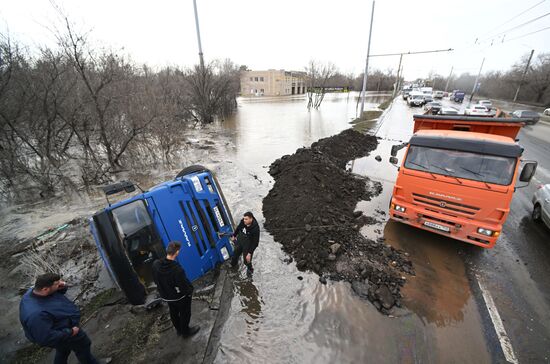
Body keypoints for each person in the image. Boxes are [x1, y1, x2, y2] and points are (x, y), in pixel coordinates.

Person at [19, 273, 98, 364]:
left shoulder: (34, 291)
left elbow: (55, 295)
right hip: (64, 332)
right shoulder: (37, 315)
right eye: (57, 283)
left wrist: (62, 287)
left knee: (63, 349)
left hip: (60, 328)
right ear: (45, 289)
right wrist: (71, 332)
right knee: (83, 345)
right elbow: (46, 338)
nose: (61, 283)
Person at [152, 241, 199, 337]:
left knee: (173, 312)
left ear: (167, 250)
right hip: (179, 297)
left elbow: (155, 280)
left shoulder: (156, 264)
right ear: (177, 253)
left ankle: (179, 330)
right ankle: (185, 332)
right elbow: (184, 286)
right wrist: (189, 292)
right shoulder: (177, 270)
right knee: (185, 313)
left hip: (166, 296)